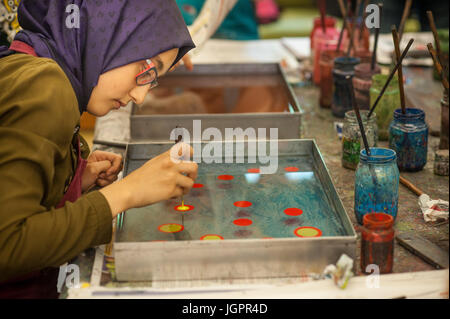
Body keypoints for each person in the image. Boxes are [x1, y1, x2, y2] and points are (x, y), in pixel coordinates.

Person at [0, 0, 198, 298]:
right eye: (147, 68)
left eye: (154, 80)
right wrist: (123, 194)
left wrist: (73, 179)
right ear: (108, 32)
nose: (142, 95)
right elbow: (7, 245)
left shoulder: (34, 67)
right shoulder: (45, 86)